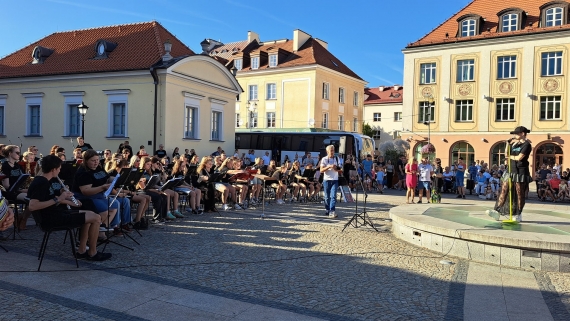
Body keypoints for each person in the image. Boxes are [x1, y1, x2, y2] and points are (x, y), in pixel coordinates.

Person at [27, 155, 112, 261]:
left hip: (57, 213)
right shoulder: (40, 183)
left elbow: (49, 198)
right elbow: (32, 206)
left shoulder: (46, 181)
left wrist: (65, 197)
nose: (59, 170)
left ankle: (82, 250)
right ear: (53, 169)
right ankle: (92, 253)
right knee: (96, 218)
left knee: (92, 214)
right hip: (52, 219)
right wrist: (58, 199)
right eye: (59, 168)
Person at [487, 126, 533, 222]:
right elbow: (506, 154)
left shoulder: (527, 145)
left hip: (520, 171)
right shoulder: (515, 144)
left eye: (517, 133)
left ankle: (518, 213)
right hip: (510, 170)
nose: (515, 135)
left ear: (523, 134)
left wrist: (509, 157)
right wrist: (508, 144)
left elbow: (519, 157)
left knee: (519, 193)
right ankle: (497, 211)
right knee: (504, 190)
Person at [1, 145, 31, 230]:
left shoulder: (18, 166)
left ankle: (23, 218)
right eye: (17, 153)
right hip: (10, 192)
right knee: (31, 199)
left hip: (19, 190)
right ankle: (21, 219)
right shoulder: (5, 166)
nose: (19, 155)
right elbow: (6, 185)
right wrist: (22, 190)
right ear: (10, 153)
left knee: (36, 198)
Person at [319, 145, 341, 218]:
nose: (332, 152)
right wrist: (329, 166)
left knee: (333, 196)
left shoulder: (337, 158)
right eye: (331, 150)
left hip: (335, 180)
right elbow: (321, 170)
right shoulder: (324, 159)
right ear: (327, 151)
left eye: (333, 150)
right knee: (327, 197)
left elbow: (341, 169)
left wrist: (336, 169)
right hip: (327, 180)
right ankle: (327, 209)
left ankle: (332, 211)